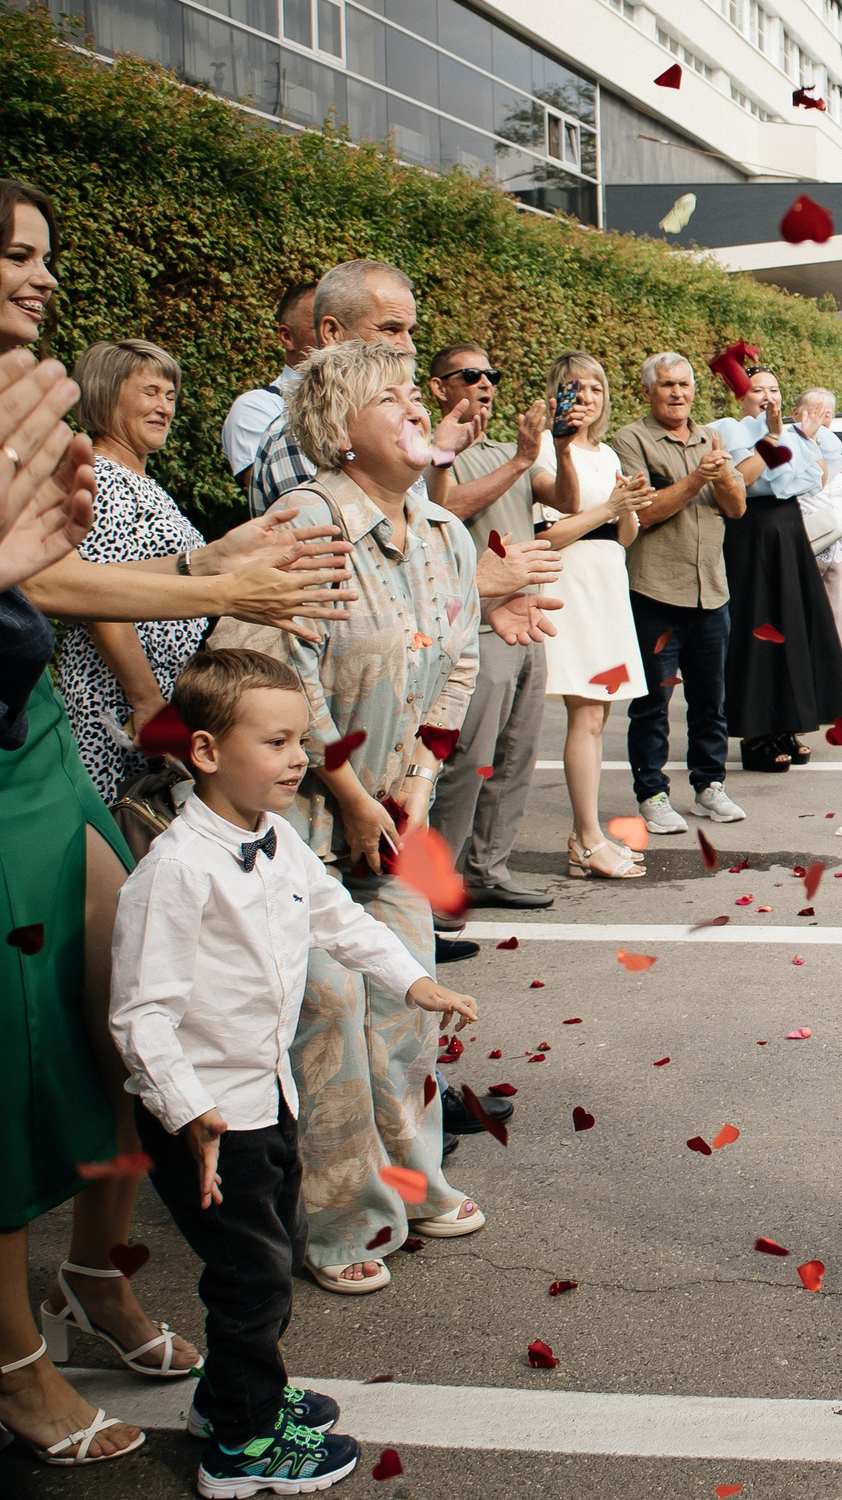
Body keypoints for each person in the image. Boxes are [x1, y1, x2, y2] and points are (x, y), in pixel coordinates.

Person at [1, 183, 356, 1469]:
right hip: (60, 741)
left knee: (107, 1034)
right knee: (42, 1058)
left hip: (37, 745)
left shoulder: (37, 413)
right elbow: (43, 579)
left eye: (43, 253)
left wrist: (221, 557)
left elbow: (57, 569)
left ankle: (100, 1277)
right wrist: (213, 583)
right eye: (13, 255)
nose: (36, 277)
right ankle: (23, 1358)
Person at [110, 647, 478, 1495]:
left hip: (267, 1095)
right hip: (205, 1117)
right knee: (251, 1277)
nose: (298, 758)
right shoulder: (176, 870)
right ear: (206, 752)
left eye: (300, 740)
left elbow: (339, 920)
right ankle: (239, 1448)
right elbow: (140, 1014)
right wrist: (189, 1111)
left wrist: (416, 981)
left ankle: (232, 1393)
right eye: (275, 742)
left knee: (265, 1256)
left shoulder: (275, 839)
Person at [223, 338, 489, 1292]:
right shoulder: (302, 522)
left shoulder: (444, 534)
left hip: (390, 805)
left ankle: (415, 1177)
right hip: (296, 810)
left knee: (406, 984)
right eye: (392, 398)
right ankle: (343, 1221)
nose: (418, 406)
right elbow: (273, 673)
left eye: (416, 393)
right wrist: (349, 789)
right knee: (329, 1003)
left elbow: (458, 658)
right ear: (340, 433)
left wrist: (416, 777)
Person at [424, 345, 557, 926]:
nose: (485, 384)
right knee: (467, 758)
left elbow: (569, 502)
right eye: (470, 375)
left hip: (522, 620)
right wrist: (522, 462)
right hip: (471, 623)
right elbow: (444, 508)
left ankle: (488, 870)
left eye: (491, 375)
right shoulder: (431, 454)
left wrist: (556, 448)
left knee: (515, 754)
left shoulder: (510, 450)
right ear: (437, 388)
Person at [53, 340, 207, 807]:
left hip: (147, 701)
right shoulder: (102, 477)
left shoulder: (141, 481)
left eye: (170, 396)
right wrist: (145, 700)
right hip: (116, 704)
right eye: (150, 392)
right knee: (114, 838)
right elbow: (98, 594)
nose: (164, 407)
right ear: (105, 395)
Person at [612, 352, 748, 832]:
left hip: (711, 591)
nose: (677, 393)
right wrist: (695, 480)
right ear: (648, 391)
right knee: (652, 703)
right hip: (656, 592)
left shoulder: (710, 436)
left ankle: (709, 786)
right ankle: (651, 793)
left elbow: (735, 509)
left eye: (684, 384)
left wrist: (725, 476)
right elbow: (643, 512)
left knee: (712, 701)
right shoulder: (630, 439)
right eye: (667, 385)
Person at [531, 352, 650, 878]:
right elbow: (546, 535)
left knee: (599, 714)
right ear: (557, 393)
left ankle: (586, 836)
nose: (587, 399)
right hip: (570, 583)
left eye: (596, 389)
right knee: (586, 714)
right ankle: (586, 839)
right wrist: (607, 509)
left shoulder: (604, 454)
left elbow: (623, 538)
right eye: (576, 389)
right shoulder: (543, 450)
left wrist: (627, 506)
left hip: (607, 580)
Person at [713, 366, 842, 772]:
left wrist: (791, 450)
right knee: (756, 629)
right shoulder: (729, 428)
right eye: (758, 389)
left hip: (790, 529)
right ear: (742, 396)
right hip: (752, 531)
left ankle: (789, 722)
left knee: (795, 626)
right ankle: (757, 732)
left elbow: (817, 478)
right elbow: (743, 480)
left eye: (774, 389)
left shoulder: (796, 432)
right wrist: (774, 443)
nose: (767, 396)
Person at [243, 260, 454, 513]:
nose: (410, 348)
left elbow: (420, 524)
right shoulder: (299, 434)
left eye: (411, 332)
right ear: (332, 332)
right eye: (391, 329)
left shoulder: (390, 423)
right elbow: (340, 545)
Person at [218, 283, 316, 488]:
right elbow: (292, 502)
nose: (335, 337)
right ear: (287, 337)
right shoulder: (258, 408)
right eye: (322, 326)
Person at [795, 388, 842, 660]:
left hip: (837, 547)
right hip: (805, 544)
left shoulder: (838, 455)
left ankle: (834, 685)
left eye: (827, 415)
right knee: (801, 619)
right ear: (796, 414)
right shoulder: (787, 445)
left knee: (835, 623)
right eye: (815, 413)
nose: (822, 420)